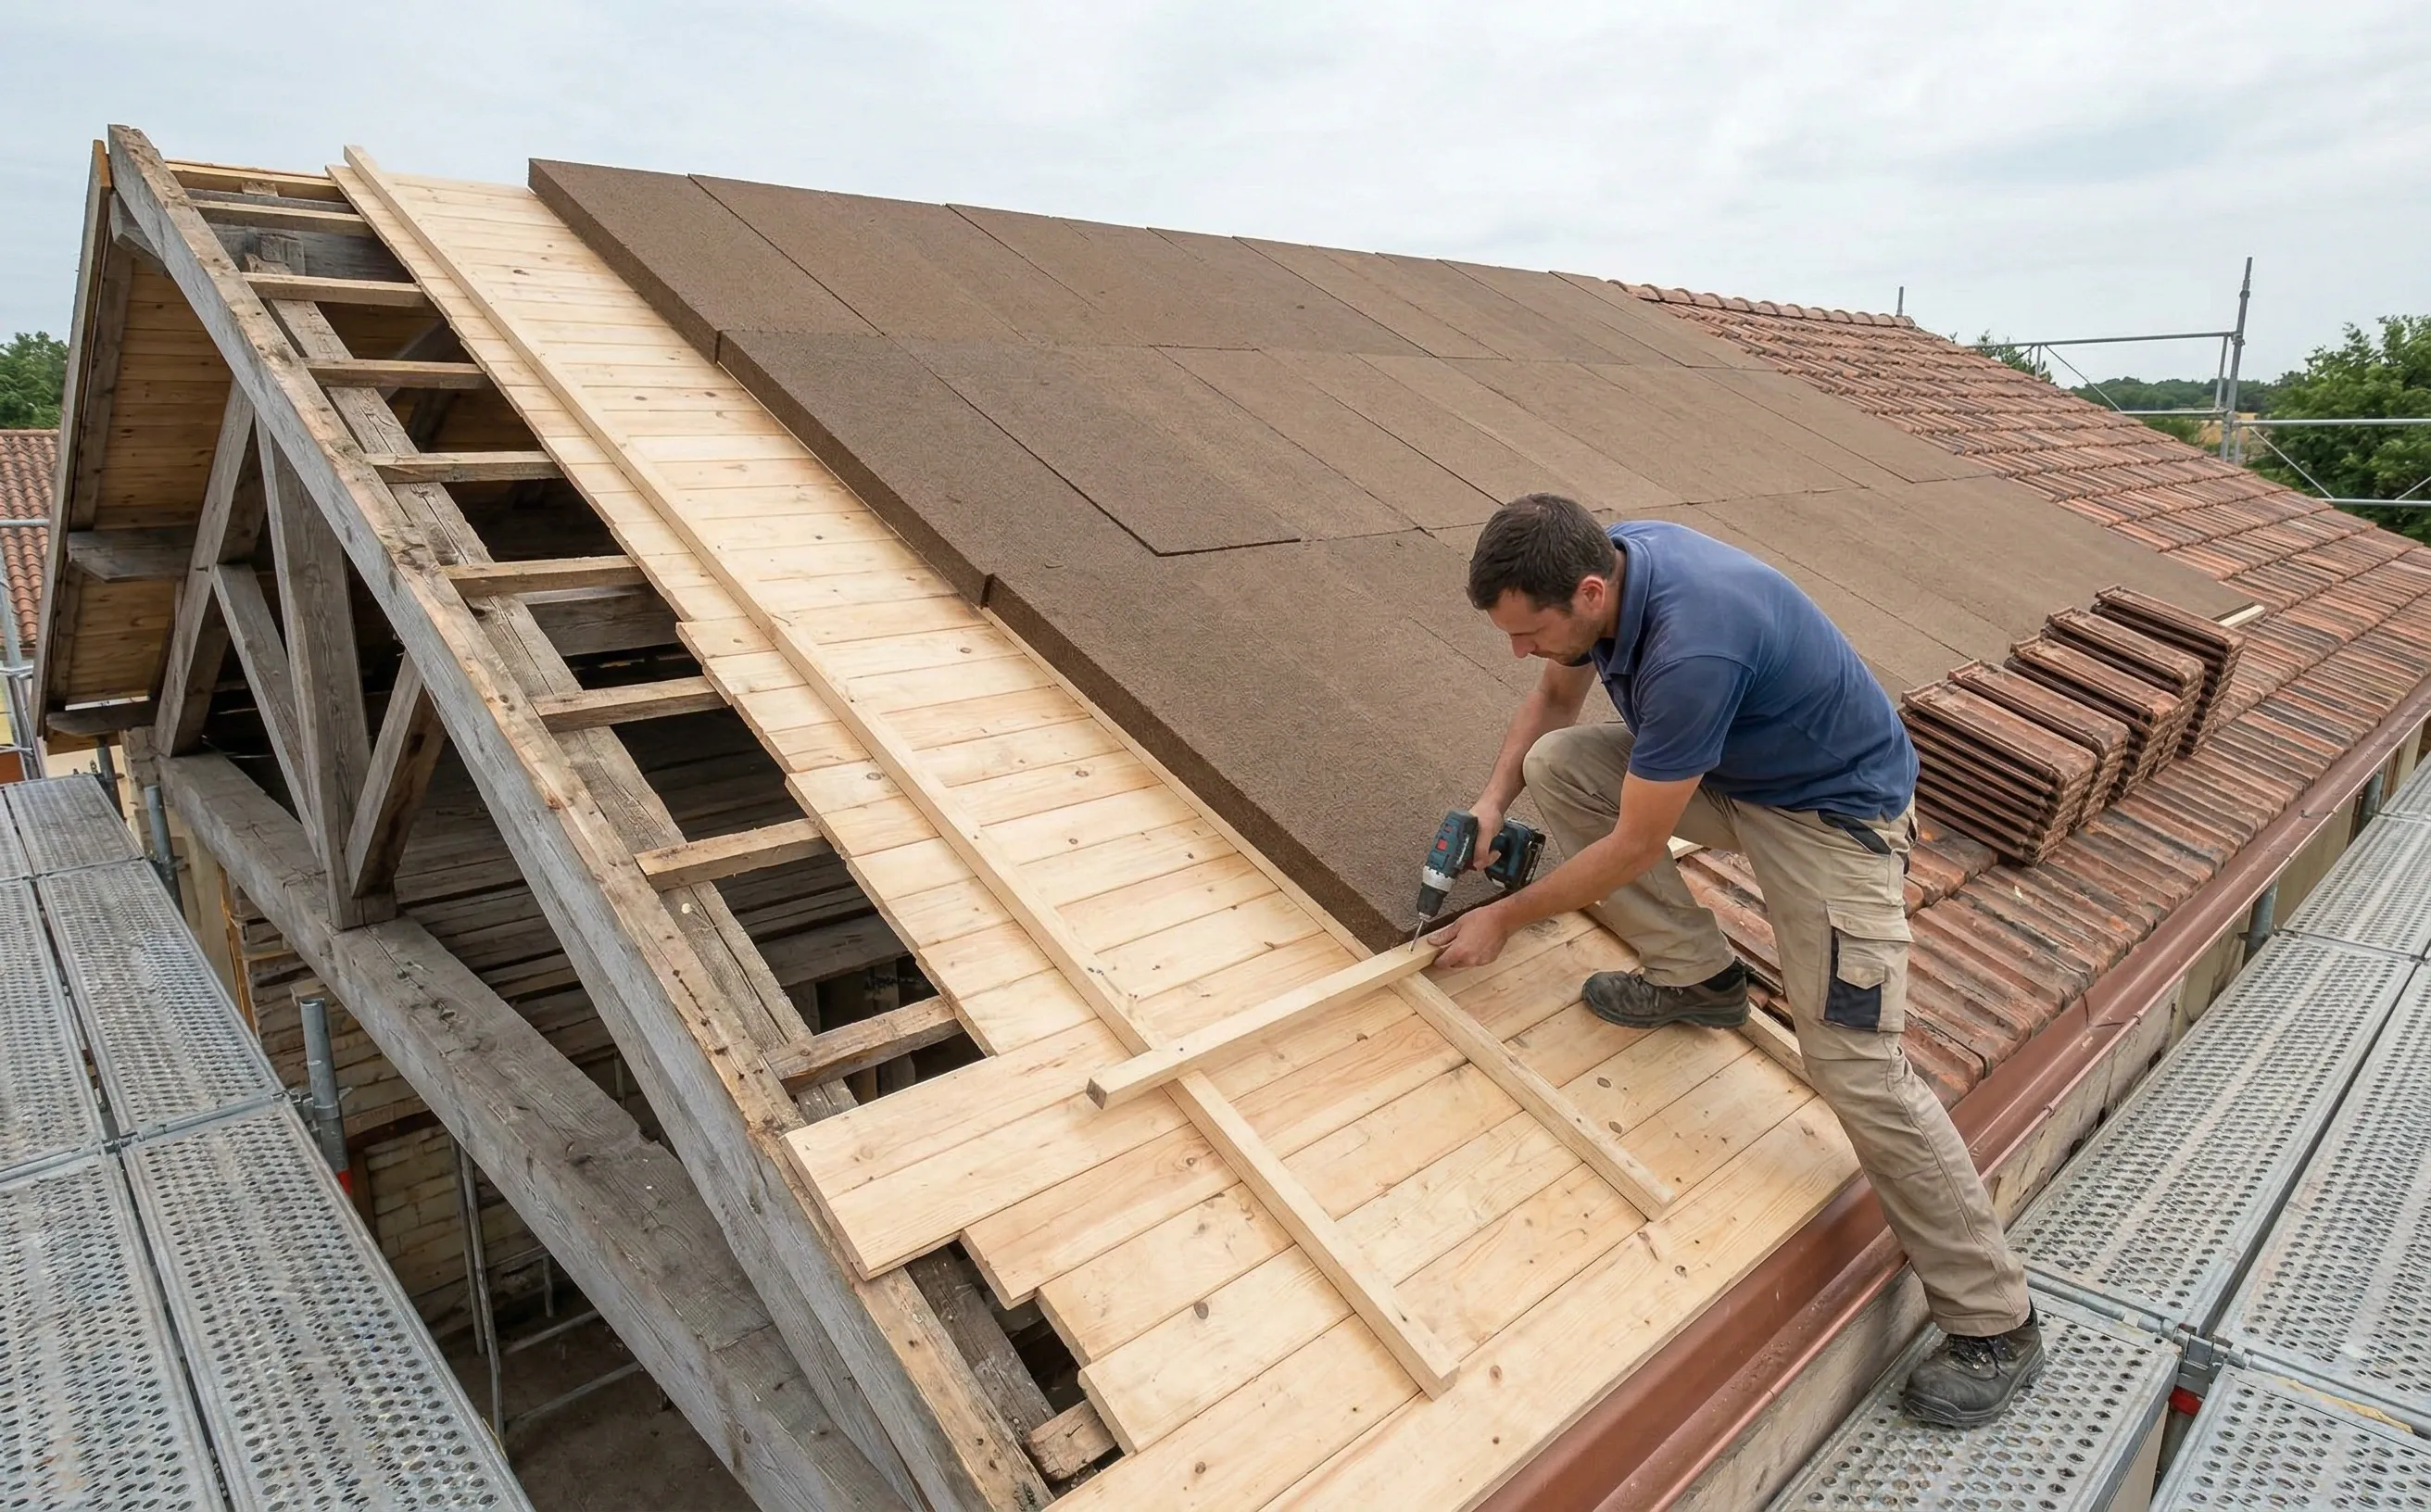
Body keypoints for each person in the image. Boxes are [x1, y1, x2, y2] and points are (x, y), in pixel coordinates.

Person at [1428, 493, 2040, 1426]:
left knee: (1857, 1067)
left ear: (1591, 591)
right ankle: (1698, 981)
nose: (1519, 650)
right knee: (1559, 767)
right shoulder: (1605, 573)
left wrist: (1503, 919)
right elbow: (1555, 694)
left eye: (1528, 632)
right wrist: (1487, 800)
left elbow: (1635, 849)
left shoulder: (1690, 648)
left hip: (1835, 819)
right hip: (1739, 772)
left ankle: (1996, 1321)